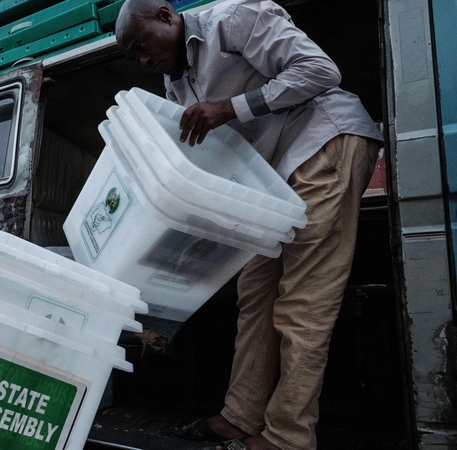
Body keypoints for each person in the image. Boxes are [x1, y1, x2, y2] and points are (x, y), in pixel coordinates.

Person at [115, 0, 383, 449]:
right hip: (272, 181)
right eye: (133, 57)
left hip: (324, 142)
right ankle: (240, 416)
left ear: (166, 16)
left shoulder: (233, 20)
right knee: (255, 292)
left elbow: (319, 70)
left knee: (302, 303)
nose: (143, 60)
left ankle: (287, 437)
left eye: (143, 46)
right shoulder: (173, 85)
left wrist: (229, 108)